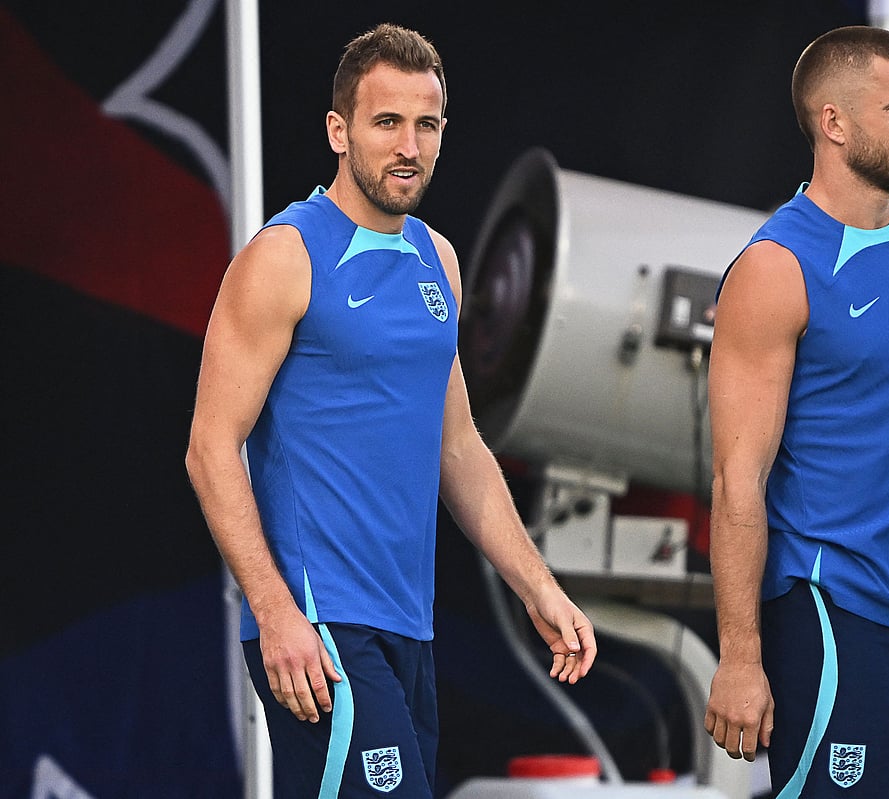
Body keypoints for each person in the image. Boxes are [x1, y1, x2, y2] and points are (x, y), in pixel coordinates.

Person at [184, 23, 596, 798]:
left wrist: (537, 583)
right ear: (339, 131)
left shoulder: (437, 258)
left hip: (409, 624)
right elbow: (210, 447)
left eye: (426, 124)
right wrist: (275, 611)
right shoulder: (287, 254)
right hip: (319, 623)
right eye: (386, 122)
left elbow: (460, 446)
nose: (409, 145)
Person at [703, 26, 889, 797]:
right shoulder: (777, 267)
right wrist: (740, 655)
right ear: (834, 122)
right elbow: (738, 478)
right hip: (831, 614)